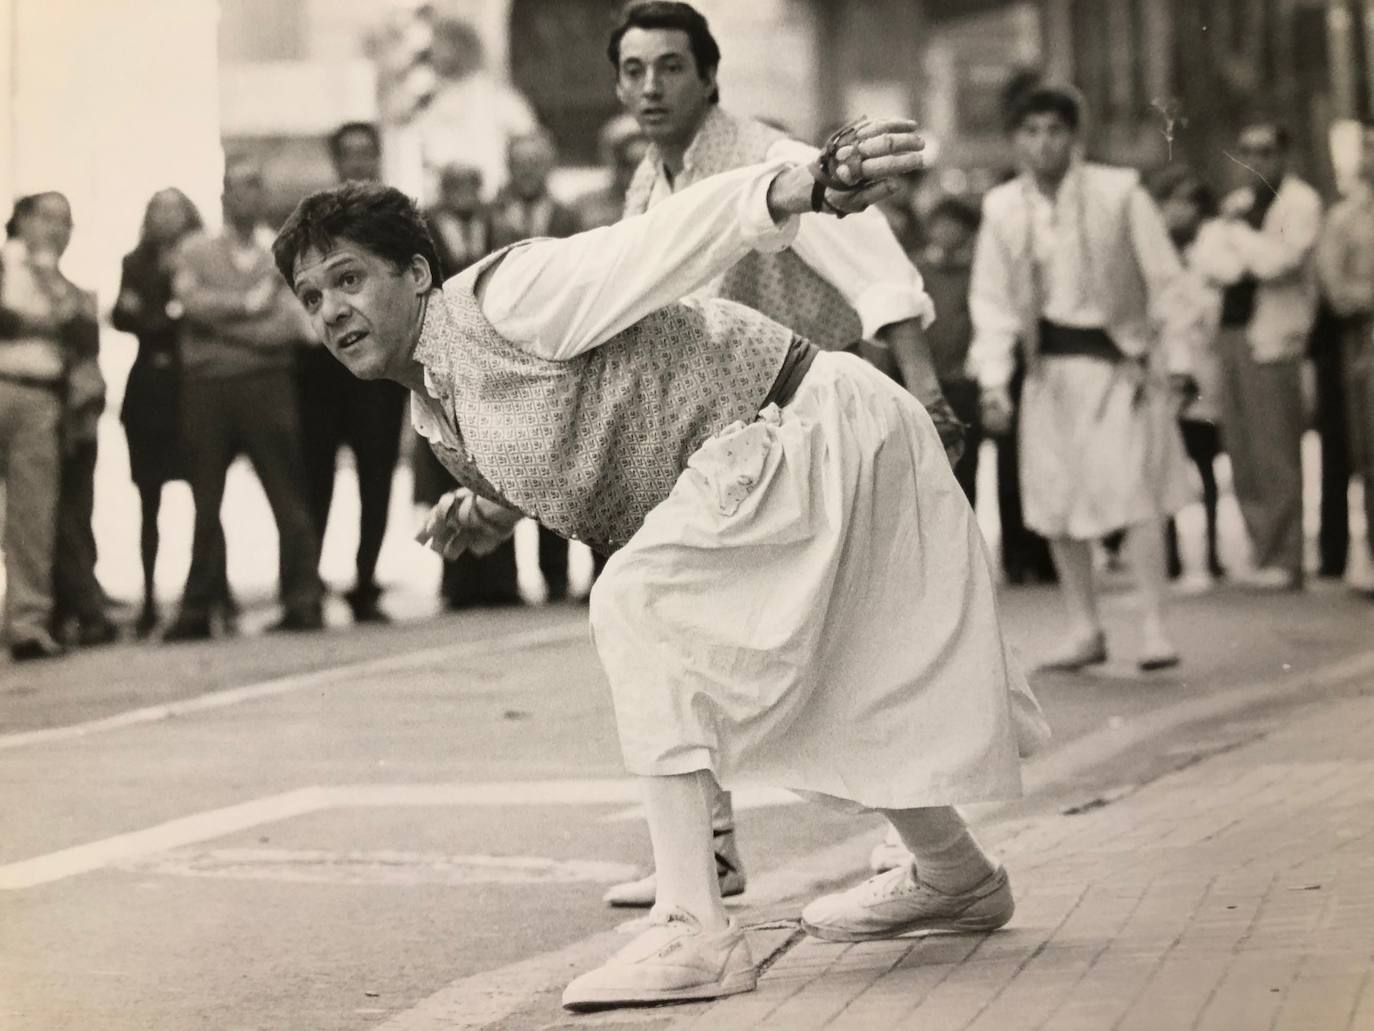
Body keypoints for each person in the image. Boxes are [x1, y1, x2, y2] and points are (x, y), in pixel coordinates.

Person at [274, 117, 1047, 1012]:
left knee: (637, 602)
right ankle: (958, 875)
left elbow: (655, 244)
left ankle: (694, 927)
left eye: (348, 278)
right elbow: (568, 432)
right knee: (839, 679)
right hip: (781, 450)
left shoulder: (506, 294)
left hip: (809, 423)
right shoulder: (434, 408)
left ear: (415, 273)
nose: (331, 310)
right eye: (312, 295)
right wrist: (491, 508)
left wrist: (796, 187)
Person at [604, 0, 956, 910]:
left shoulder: (771, 160)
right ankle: (714, 851)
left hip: (813, 433)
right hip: (718, 456)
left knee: (836, 650)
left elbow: (876, 267)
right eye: (635, 69)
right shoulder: (651, 186)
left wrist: (925, 386)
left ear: (710, 76)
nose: (651, 86)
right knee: (681, 630)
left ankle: (933, 852)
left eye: (670, 67)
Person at [969, 84, 1200, 673]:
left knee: (1133, 492)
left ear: (1074, 137)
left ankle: (1153, 625)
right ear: (1016, 139)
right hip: (1049, 372)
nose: (1043, 144)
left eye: (1055, 131)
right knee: (1056, 499)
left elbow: (1167, 281)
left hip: (1119, 365)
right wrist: (994, 381)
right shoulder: (1002, 208)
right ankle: (1084, 627)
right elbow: (991, 302)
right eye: (1031, 132)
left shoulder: (1118, 192)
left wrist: (1178, 362)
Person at [162, 158, 324, 640]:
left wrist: (223, 328)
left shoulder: (283, 253)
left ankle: (302, 598)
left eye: (255, 187)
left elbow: (297, 328)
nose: (246, 197)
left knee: (287, 494)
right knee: (205, 498)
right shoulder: (194, 250)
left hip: (267, 386)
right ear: (222, 196)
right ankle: (199, 605)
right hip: (207, 389)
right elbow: (190, 307)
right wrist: (250, 308)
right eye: (237, 187)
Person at [1191, 122, 1322, 591]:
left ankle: (1286, 558)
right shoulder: (1237, 207)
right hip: (1232, 334)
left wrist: (1240, 244)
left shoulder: (1301, 201)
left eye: (1265, 151)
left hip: (1273, 339)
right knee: (1242, 451)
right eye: (1246, 151)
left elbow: (1279, 264)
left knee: (1276, 452)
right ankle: (1261, 548)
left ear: (1283, 154)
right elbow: (1211, 265)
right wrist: (1246, 252)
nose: (1256, 160)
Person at [294, 122, 410, 623]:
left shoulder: (398, 215)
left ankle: (366, 580)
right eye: (349, 154)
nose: (358, 162)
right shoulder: (308, 220)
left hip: (380, 369)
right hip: (322, 369)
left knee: (376, 476)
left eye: (367, 153)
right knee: (316, 476)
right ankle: (309, 582)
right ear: (336, 161)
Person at [113, 188, 237, 637]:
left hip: (192, 386)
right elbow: (123, 316)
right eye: (157, 209)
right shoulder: (135, 261)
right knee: (149, 498)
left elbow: (183, 316)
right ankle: (149, 598)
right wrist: (171, 313)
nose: (166, 217)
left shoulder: (205, 256)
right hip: (149, 391)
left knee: (207, 492)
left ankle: (214, 591)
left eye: (174, 208)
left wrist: (161, 314)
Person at [417, 164, 522, 608]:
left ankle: (503, 582)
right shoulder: (425, 233)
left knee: (500, 463)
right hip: (444, 359)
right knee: (453, 463)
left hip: (491, 357)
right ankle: (457, 581)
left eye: (470, 184)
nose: (463, 193)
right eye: (454, 184)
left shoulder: (498, 227)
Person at [491, 129, 582, 603]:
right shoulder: (491, 216)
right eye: (518, 162)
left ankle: (556, 573)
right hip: (504, 354)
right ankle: (502, 577)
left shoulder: (567, 216)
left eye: (534, 162)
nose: (527, 171)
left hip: (553, 351)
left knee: (557, 465)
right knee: (505, 463)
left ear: (547, 166)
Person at [0, 195, 77, 659]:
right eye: (47, 217)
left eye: (66, 222)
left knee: (33, 516)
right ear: (23, 220)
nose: (56, 229)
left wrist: (49, 289)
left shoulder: (63, 281)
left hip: (40, 396)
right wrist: (43, 324)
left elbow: (81, 330)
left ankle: (27, 624)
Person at [1151, 167, 1227, 586]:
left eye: (1188, 202)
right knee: (1164, 463)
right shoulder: (1156, 248)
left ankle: (1213, 554)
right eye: (1172, 201)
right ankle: (1172, 556)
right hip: (1165, 369)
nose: (1178, 210)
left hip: (1202, 368)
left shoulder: (1210, 251)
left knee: (1207, 465)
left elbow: (1207, 310)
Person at [1317, 119, 1374, 594]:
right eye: (1368, 147)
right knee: (1370, 455)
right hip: (1365, 346)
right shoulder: (1344, 219)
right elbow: (1336, 291)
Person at [919, 197, 983, 504]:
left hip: (962, 387)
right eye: (941, 225)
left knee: (964, 473)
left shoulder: (977, 276)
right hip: (916, 387)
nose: (947, 233)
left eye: (955, 227)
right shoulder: (913, 271)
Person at [574, 114, 649, 232]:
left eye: (642, 163)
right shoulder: (585, 207)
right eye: (627, 164)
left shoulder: (669, 200)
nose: (636, 172)